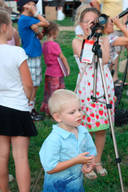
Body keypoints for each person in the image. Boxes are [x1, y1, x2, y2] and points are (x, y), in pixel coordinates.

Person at [72, 7, 114, 179]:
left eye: (94, 20)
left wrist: (99, 37)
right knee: (85, 128)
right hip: (86, 88)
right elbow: (86, 57)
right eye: (87, 21)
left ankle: (97, 160)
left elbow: (104, 59)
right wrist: (90, 37)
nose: (90, 23)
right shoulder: (77, 41)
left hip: (103, 86)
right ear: (81, 25)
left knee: (101, 129)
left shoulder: (104, 39)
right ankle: (86, 161)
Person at [0, 9, 37, 192]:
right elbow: (28, 84)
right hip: (17, 107)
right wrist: (30, 98)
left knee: (1, 156)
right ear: (5, 27)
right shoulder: (16, 51)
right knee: (20, 157)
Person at [39, 89, 97, 191]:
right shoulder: (54, 140)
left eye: (79, 109)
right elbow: (50, 168)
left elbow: (90, 153)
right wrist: (76, 161)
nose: (79, 114)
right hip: (56, 187)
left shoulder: (82, 131)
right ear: (57, 117)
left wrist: (88, 164)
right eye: (72, 112)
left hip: (76, 185)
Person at [17, 0, 49, 121]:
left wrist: (37, 33)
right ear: (25, 6)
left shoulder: (26, 20)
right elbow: (46, 22)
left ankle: (30, 109)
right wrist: (36, 13)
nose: (34, 6)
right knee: (33, 85)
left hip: (33, 54)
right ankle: (28, 111)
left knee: (34, 84)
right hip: (31, 55)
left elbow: (38, 34)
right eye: (32, 4)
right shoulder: (26, 18)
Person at [40, 21, 70, 116]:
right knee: (57, 93)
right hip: (56, 73)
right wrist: (67, 68)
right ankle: (56, 111)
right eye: (57, 32)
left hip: (48, 72)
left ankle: (47, 109)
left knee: (49, 92)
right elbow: (62, 57)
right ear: (53, 32)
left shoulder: (44, 44)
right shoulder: (54, 45)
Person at [91, 0, 124, 85]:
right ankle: (112, 78)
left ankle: (110, 77)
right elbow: (94, 2)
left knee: (115, 54)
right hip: (109, 26)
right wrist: (101, 19)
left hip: (118, 25)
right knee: (110, 54)